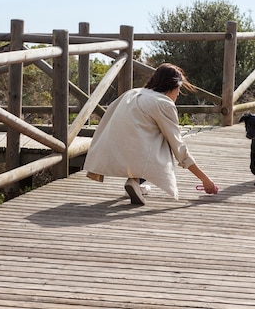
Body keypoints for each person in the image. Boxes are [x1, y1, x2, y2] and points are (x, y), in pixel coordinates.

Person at [83, 63, 217, 205]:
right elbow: (178, 147)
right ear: (174, 86)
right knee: (166, 141)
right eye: (179, 89)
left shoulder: (131, 93)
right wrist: (205, 180)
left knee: (145, 133)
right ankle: (135, 181)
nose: (178, 94)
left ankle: (137, 183)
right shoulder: (163, 103)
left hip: (110, 151)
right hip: (135, 156)